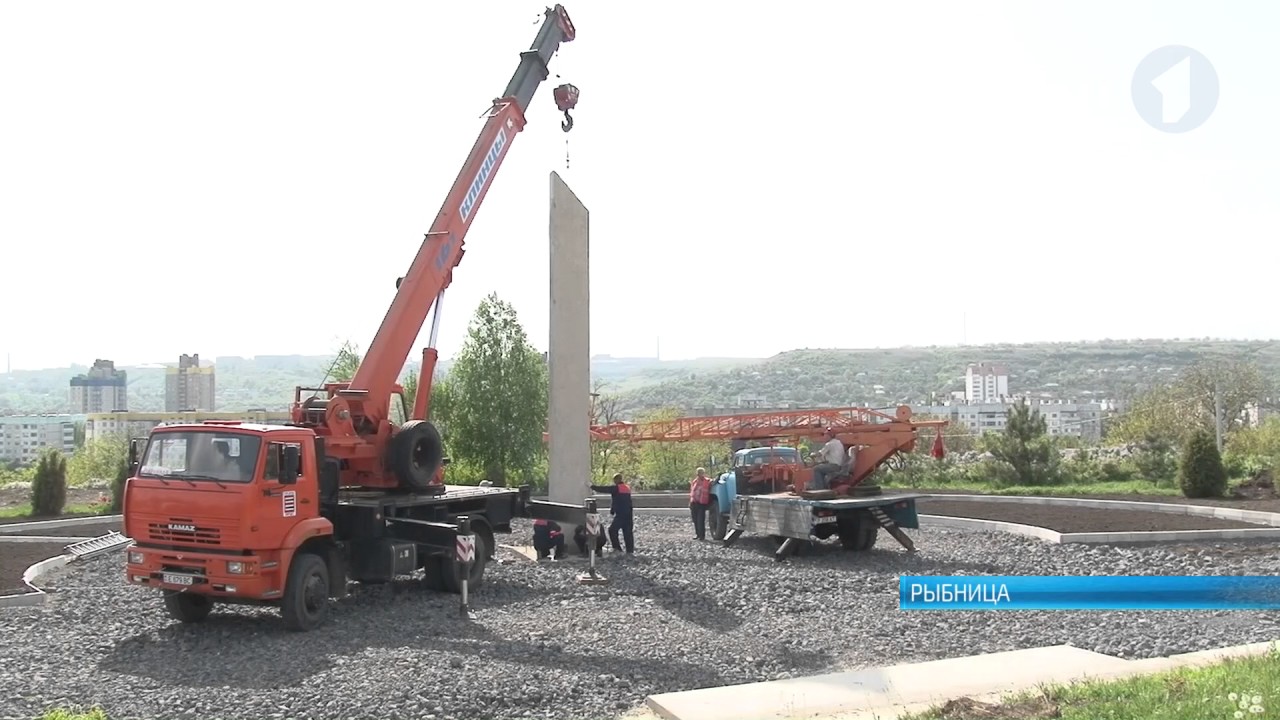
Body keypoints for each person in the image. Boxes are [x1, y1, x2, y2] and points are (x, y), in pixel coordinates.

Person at [590, 472, 634, 554]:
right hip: (628, 514)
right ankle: (630, 551)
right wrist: (612, 511)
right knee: (628, 532)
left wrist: (592, 486)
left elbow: (605, 489)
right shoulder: (627, 488)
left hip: (621, 514)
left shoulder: (617, 488)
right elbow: (618, 500)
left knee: (612, 530)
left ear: (617, 480)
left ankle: (617, 548)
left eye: (614, 480)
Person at [688, 467, 713, 540]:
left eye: (701, 473)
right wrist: (690, 502)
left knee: (700, 520)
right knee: (695, 519)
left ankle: (702, 536)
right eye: (699, 473)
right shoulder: (694, 481)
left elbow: (712, 482)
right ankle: (697, 534)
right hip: (694, 502)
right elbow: (692, 492)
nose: (700, 475)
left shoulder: (707, 481)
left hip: (702, 503)